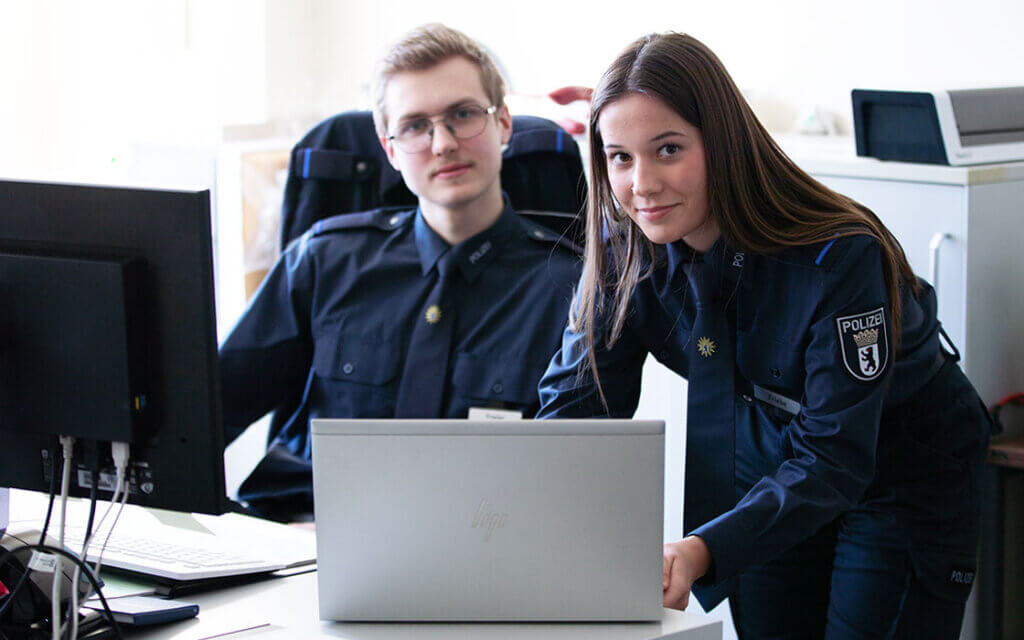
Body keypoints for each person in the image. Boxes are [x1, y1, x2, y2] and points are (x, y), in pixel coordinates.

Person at [536, 32, 991, 638]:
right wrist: (511, 508)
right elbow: (576, 407)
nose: (641, 184)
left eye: (667, 149)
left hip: (901, 465)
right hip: (778, 464)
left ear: (721, 143)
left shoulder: (841, 254)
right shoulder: (628, 254)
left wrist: (701, 548)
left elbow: (836, 453)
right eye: (619, 157)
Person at [220, 23, 580, 522]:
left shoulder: (570, 290)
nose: (443, 143)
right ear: (389, 150)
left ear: (503, 125)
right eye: (415, 126)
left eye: (463, 115)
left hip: (482, 559)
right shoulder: (325, 262)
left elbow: (575, 484)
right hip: (307, 548)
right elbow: (205, 416)